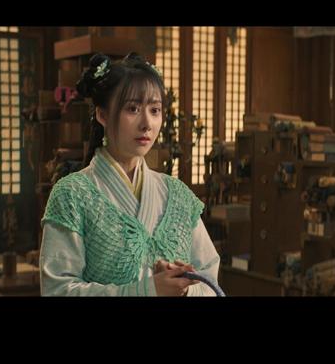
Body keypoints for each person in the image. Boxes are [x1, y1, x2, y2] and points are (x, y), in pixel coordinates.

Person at [39, 52, 220, 296]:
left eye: (155, 110)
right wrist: (148, 289)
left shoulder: (178, 195)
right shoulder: (71, 194)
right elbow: (58, 290)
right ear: (102, 115)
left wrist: (183, 287)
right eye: (133, 109)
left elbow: (210, 281)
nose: (147, 123)